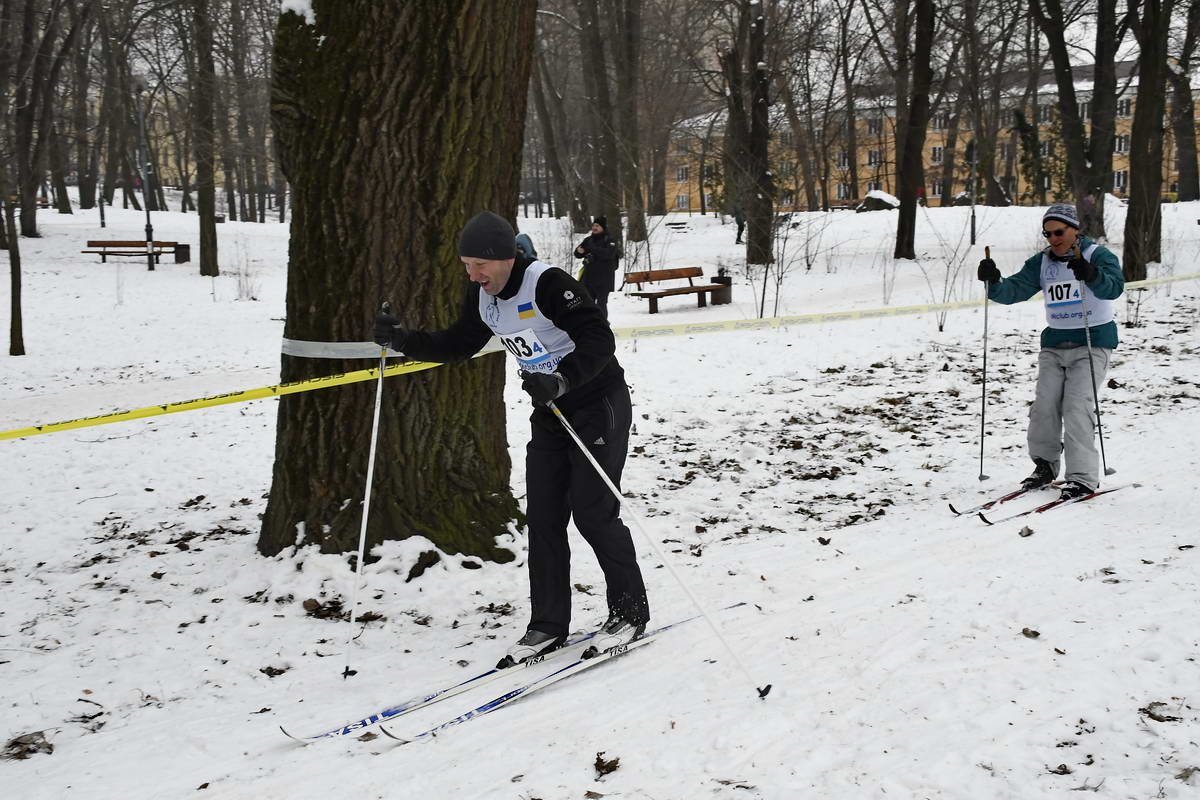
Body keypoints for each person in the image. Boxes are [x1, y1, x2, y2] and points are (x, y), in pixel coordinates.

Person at [373, 211, 650, 668]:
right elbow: (458, 344)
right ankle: (547, 624)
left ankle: (629, 612)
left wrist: (562, 380)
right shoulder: (483, 296)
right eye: (466, 265)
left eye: (480, 264)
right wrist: (404, 340)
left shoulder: (547, 283)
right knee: (542, 517)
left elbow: (600, 340)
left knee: (593, 513)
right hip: (550, 412)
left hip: (597, 404)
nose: (473, 274)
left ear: (505, 258)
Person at [976, 202, 1124, 500]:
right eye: (1048, 234)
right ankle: (1044, 465)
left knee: (1076, 407)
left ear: (1074, 230)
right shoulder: (1041, 262)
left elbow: (1114, 288)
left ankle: (1082, 477)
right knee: (1043, 407)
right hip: (1055, 344)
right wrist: (993, 281)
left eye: (1059, 232)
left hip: (1092, 341)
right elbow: (1013, 290)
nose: (1053, 239)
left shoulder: (1098, 255)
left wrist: (1091, 274)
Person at [573, 216, 620, 319]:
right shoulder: (588, 240)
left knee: (601, 304)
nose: (594, 227)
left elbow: (608, 254)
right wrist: (578, 251)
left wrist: (592, 249)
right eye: (593, 225)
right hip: (588, 278)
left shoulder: (610, 240)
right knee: (588, 304)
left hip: (604, 279)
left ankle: (603, 325)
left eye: (597, 226)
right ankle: (590, 325)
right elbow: (578, 253)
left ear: (603, 227)